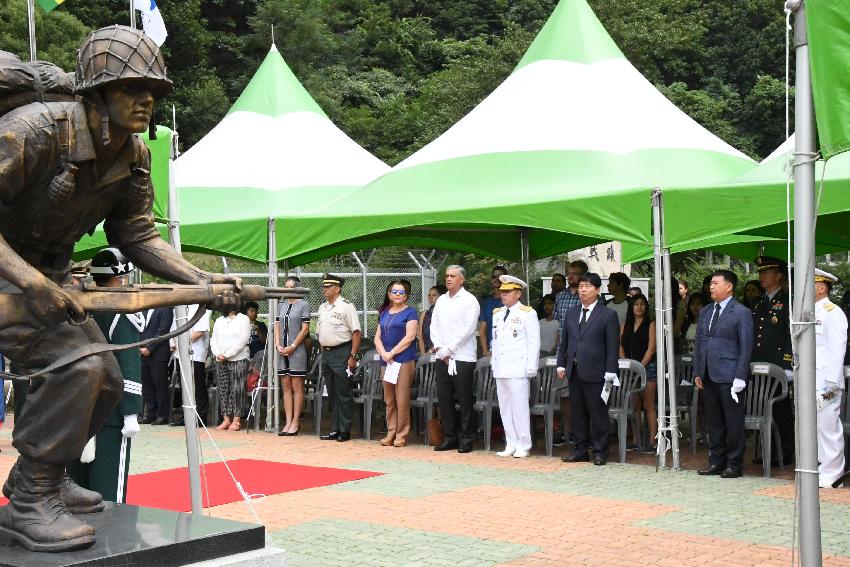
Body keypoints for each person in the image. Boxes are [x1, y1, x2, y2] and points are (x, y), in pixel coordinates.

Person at [0, 26, 240, 551]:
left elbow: (136, 233)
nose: (147, 99)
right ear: (97, 93)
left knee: (107, 379)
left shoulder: (132, 154)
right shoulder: (34, 131)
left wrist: (205, 281)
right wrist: (30, 281)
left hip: (48, 277)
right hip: (10, 271)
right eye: (132, 88)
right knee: (78, 369)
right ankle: (30, 503)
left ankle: (37, 476)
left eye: (153, 90)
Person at [67, 248, 142, 504]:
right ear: (121, 276)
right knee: (111, 489)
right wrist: (130, 411)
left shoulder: (77, 308)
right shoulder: (120, 313)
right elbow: (127, 364)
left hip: (76, 407)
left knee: (78, 484)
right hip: (111, 410)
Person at [694, 270, 753, 479]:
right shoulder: (706, 311)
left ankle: (734, 464)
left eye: (716, 283)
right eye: (710, 283)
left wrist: (740, 376)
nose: (711, 287)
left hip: (730, 375)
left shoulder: (741, 312)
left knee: (733, 422)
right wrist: (698, 371)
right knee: (714, 421)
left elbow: (745, 347)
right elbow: (700, 343)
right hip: (709, 374)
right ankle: (716, 462)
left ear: (729, 286)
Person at [557, 272, 620, 465]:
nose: (583, 290)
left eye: (588, 286)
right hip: (575, 370)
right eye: (581, 286)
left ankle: (600, 451)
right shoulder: (572, 313)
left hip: (597, 372)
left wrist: (610, 371)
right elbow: (564, 341)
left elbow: (612, 347)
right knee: (578, 413)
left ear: (597, 290)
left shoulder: (608, 315)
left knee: (598, 413)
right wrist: (561, 363)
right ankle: (580, 449)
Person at [431, 265, 480, 453]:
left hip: (462, 357)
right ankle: (450, 436)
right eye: (447, 276)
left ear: (461, 279)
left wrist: (450, 349)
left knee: (464, 398)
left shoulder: (470, 300)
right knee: (444, 398)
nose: (449, 279)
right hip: (442, 356)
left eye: (453, 276)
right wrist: (439, 348)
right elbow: (434, 326)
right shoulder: (442, 300)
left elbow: (468, 329)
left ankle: (467, 437)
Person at [751, 256, 794, 466]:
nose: (761, 277)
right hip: (759, 364)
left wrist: (787, 364)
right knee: (761, 407)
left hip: (777, 365)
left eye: (766, 273)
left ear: (778, 276)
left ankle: (784, 451)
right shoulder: (759, 302)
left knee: (780, 409)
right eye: (760, 273)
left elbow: (790, 335)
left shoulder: (787, 302)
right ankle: (767, 450)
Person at [491, 276, 540, 458]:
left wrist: (531, 367)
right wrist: (494, 363)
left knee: (520, 408)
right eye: (502, 291)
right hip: (501, 366)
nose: (503, 295)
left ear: (518, 293)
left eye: (507, 291)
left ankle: (524, 444)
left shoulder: (527, 313)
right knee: (505, 408)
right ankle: (510, 442)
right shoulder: (497, 313)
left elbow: (534, 342)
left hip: (518, 366)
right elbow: (495, 341)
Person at [317, 274, 362, 442]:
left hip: (342, 351)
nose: (325, 289)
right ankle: (335, 428)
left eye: (328, 286)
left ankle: (345, 430)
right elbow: (320, 331)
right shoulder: (323, 307)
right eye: (324, 286)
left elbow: (356, 333)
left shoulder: (346, 307)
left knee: (344, 393)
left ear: (337, 288)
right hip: (327, 353)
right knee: (332, 394)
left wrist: (352, 356)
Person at [814, 269, 848, 488]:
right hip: (811, 378)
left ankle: (833, 473)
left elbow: (837, 349)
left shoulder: (832, 311)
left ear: (821, 287)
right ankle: (822, 468)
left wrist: (833, 385)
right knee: (815, 426)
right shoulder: (810, 311)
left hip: (827, 381)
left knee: (828, 426)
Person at [374, 280, 419, 447]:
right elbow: (377, 337)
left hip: (403, 360)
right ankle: (390, 431)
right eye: (395, 292)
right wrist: (384, 353)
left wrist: (392, 352)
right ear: (389, 294)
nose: (398, 295)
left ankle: (401, 434)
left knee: (402, 399)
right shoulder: (384, 312)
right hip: (386, 361)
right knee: (389, 400)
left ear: (406, 295)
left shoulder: (411, 312)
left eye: (401, 292)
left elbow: (410, 337)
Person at [619, 293, 657, 452]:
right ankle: (635, 440)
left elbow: (651, 348)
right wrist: (628, 366)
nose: (639, 307)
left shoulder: (651, 324)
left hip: (648, 368)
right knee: (635, 407)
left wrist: (640, 366)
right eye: (636, 304)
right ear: (631, 307)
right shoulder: (624, 325)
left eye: (642, 304)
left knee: (648, 405)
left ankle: (652, 441)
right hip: (630, 369)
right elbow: (619, 346)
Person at [276, 276, 311, 436]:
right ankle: (288, 420)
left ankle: (296, 421)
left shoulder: (304, 305)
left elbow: (305, 329)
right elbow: (277, 325)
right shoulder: (281, 305)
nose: (288, 291)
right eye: (286, 288)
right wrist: (278, 345)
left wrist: (293, 346)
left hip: (296, 350)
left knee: (297, 386)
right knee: (286, 386)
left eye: (291, 288)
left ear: (297, 288)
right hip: (282, 350)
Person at [168, 304, 211, 427]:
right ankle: (186, 416)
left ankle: (200, 417)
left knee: (197, 387)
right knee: (184, 387)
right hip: (179, 354)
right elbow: (173, 330)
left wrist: (181, 343)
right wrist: (173, 343)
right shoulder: (180, 308)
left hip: (195, 355)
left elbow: (199, 332)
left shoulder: (201, 309)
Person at [211, 307, 252, 432]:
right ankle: (226, 419)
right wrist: (217, 353)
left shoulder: (244, 319)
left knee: (237, 389)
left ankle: (236, 419)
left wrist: (228, 354)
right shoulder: (218, 320)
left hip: (238, 359)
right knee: (223, 388)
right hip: (220, 360)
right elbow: (213, 340)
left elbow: (242, 340)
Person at [139, 306, 174, 425]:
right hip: (142, 352)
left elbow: (163, 331)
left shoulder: (165, 309)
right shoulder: (143, 310)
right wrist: (140, 347)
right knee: (147, 385)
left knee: (160, 384)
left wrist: (150, 348)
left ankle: (162, 415)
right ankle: (150, 413)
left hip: (158, 353)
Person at [478, 265, 508, 356]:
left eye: (500, 276)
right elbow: (482, 329)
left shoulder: (510, 300)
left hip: (508, 349)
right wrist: (485, 351)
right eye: (494, 277)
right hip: (491, 349)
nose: (497, 279)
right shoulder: (486, 302)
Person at [418, 284, 447, 354]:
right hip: (426, 353)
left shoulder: (446, 313)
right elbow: (420, 337)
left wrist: (432, 349)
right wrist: (423, 354)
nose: (431, 297)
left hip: (442, 352)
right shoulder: (424, 314)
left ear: (441, 297)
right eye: (429, 295)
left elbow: (445, 336)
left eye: (434, 295)